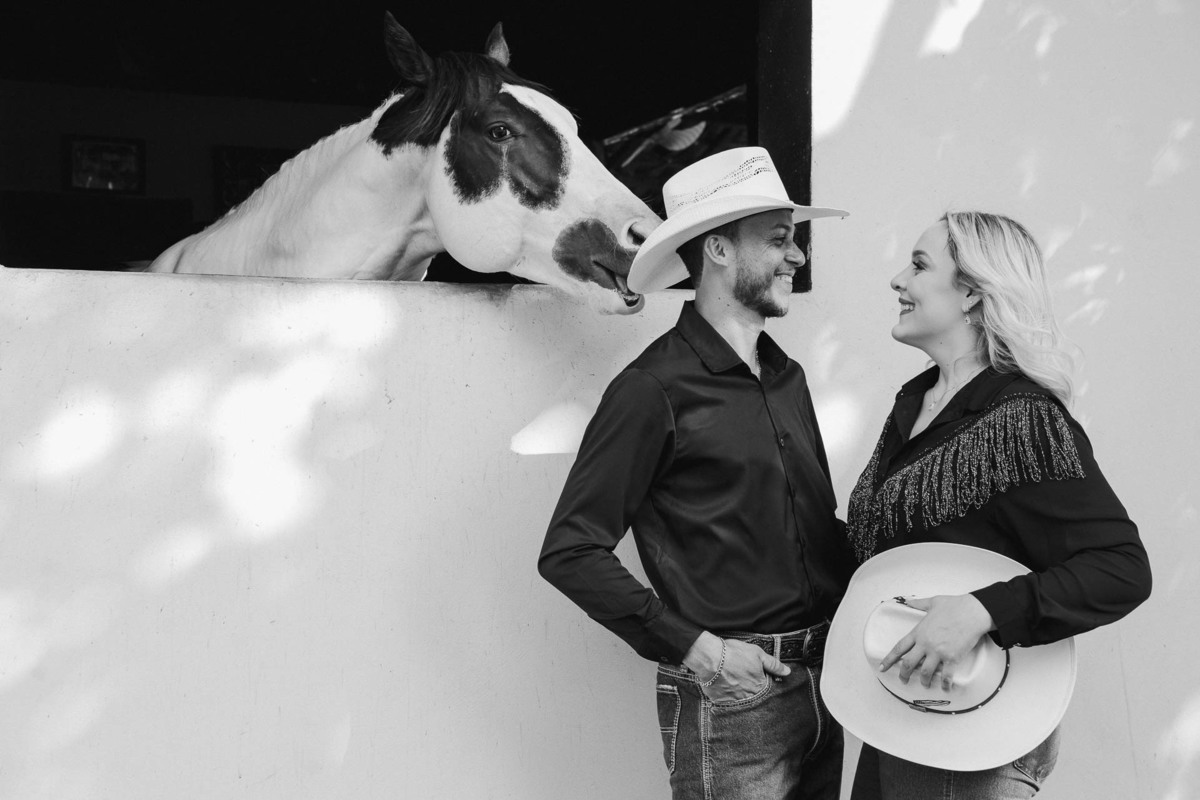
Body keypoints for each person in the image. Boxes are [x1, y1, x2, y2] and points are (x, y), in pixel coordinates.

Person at [538, 147, 856, 800]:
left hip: (828, 688)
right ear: (717, 249)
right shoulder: (652, 390)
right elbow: (571, 550)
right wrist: (704, 653)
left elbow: (811, 531)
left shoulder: (786, 375)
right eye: (778, 239)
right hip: (737, 704)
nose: (796, 256)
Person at [840, 211, 1152, 799]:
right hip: (903, 711)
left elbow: (1121, 568)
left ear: (973, 294)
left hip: (976, 732)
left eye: (920, 264)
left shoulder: (1023, 419)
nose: (896, 279)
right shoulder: (916, 402)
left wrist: (982, 611)